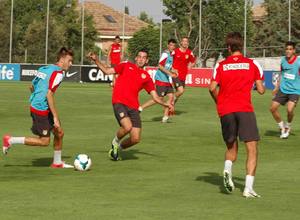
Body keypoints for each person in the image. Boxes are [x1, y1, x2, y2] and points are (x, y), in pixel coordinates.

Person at [88, 49, 174, 161]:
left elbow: (155, 97)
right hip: (119, 102)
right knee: (127, 127)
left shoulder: (146, 77)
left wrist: (166, 104)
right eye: (139, 56)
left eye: (144, 57)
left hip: (133, 107)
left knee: (135, 139)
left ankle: (117, 149)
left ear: (146, 60)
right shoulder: (125, 66)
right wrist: (96, 60)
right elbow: (107, 71)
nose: (141, 59)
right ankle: (115, 141)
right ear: (136, 58)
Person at [209, 32, 265, 198]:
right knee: (252, 149)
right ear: (241, 46)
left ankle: (227, 168)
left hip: (226, 110)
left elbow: (212, 87)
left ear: (228, 47)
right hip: (244, 109)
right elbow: (261, 90)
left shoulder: (221, 65)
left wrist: (220, 102)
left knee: (231, 148)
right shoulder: (252, 64)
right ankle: (248, 189)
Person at [2, 47, 74, 168]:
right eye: (70, 60)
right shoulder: (58, 73)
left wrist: (36, 98)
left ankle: (57, 162)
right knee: (44, 141)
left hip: (39, 105)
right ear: (62, 59)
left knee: (59, 132)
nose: (71, 64)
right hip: (41, 109)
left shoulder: (44, 68)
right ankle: (10, 140)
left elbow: (31, 86)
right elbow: (49, 94)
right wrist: (55, 117)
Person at [139, 39, 177, 123]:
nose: (172, 47)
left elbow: (168, 66)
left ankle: (165, 117)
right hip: (160, 79)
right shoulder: (165, 54)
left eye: (174, 46)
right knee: (159, 98)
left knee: (171, 97)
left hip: (166, 80)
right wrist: (170, 73)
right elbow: (159, 65)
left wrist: (174, 70)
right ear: (168, 45)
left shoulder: (172, 55)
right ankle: (140, 108)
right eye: (170, 45)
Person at [269, 41, 300, 139]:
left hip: (295, 90)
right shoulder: (283, 61)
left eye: (290, 49)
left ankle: (288, 126)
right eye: (287, 49)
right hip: (283, 89)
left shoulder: (298, 62)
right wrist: (276, 87)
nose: (288, 51)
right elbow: (281, 75)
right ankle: (282, 126)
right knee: (272, 108)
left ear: (294, 51)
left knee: (290, 110)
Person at [172, 37, 196, 103]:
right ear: (181, 42)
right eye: (184, 41)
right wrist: (172, 69)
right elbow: (169, 60)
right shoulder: (175, 51)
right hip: (175, 74)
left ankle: (170, 106)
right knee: (181, 91)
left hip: (183, 75)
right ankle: (170, 101)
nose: (185, 43)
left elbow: (193, 61)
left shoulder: (189, 52)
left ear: (188, 43)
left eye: (186, 41)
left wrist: (191, 65)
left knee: (179, 93)